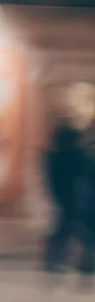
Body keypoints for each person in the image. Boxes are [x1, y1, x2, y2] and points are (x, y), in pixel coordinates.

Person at [44, 81, 95, 279]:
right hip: (72, 189)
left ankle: (85, 262)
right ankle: (56, 261)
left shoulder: (85, 130)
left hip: (85, 188)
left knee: (86, 227)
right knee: (66, 225)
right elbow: (60, 164)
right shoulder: (67, 132)